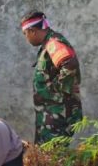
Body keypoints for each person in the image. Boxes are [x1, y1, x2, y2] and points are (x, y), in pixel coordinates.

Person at [20, 11, 82, 143]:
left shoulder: (53, 43)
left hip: (57, 114)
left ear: (32, 31)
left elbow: (69, 63)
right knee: (47, 157)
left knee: (52, 157)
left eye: (25, 34)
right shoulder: (47, 45)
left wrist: (58, 90)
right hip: (50, 115)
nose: (26, 38)